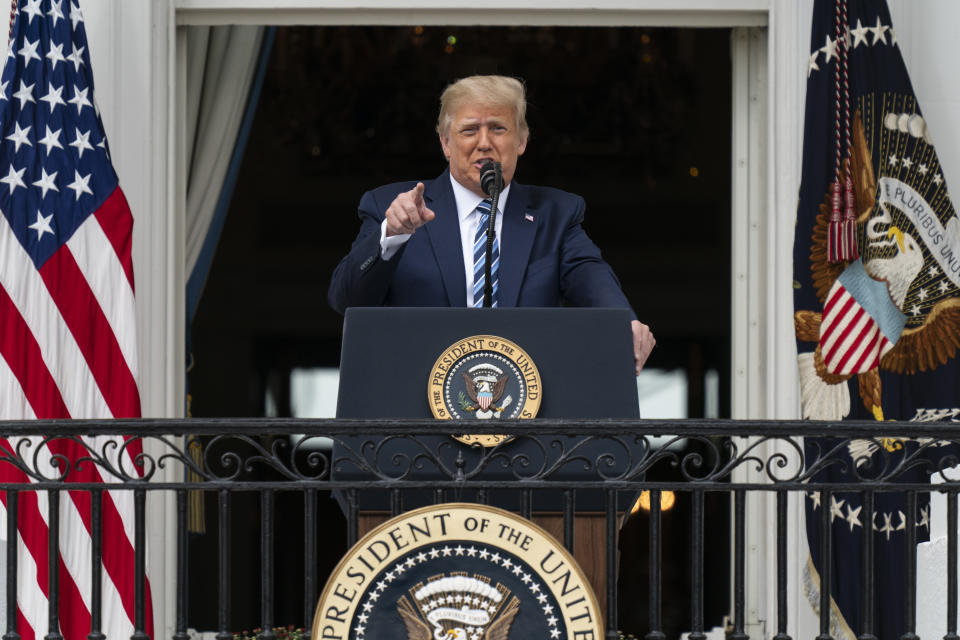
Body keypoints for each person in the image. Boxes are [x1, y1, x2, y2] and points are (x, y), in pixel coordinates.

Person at [328, 75, 655, 373]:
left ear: (522, 141)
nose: (484, 142)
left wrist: (624, 323)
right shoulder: (392, 207)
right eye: (469, 130)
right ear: (445, 143)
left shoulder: (556, 213)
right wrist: (392, 235)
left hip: (529, 418)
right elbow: (346, 302)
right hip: (418, 420)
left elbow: (593, 280)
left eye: (498, 129)